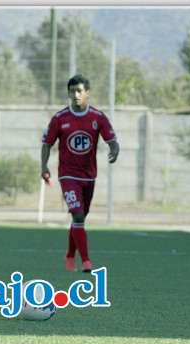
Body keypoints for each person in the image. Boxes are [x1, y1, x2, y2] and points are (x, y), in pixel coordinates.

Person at [41, 74, 119, 273]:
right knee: (77, 215)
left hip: (89, 175)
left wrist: (114, 149)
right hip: (67, 175)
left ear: (87, 94)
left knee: (80, 218)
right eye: (71, 91)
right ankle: (86, 261)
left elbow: (112, 139)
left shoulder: (97, 117)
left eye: (79, 91)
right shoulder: (60, 118)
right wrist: (44, 166)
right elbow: (47, 144)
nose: (75, 95)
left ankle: (69, 255)